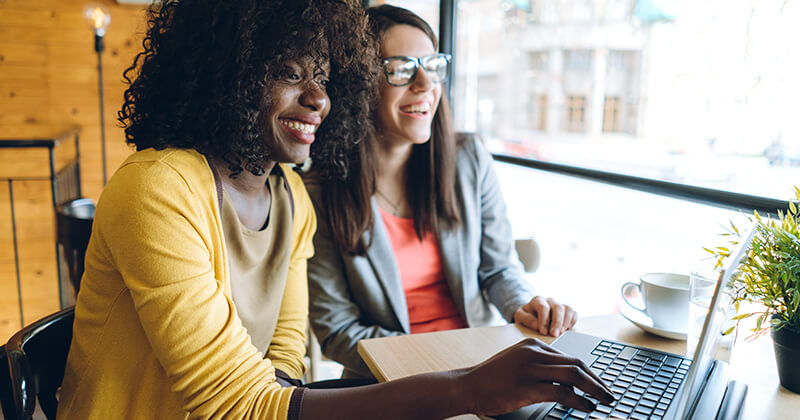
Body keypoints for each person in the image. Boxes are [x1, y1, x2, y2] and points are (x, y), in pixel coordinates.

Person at [59, 1, 612, 418]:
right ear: (228, 73)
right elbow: (237, 401)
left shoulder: (292, 200)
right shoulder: (159, 189)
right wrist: (465, 389)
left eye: (323, 78)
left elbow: (282, 364)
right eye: (289, 73)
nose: (319, 98)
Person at [306, 4, 579, 380]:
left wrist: (525, 305)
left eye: (432, 67)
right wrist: (441, 365)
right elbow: (337, 331)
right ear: (359, 83)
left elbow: (499, 269)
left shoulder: (470, 159)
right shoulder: (320, 190)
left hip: (482, 365)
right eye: (402, 69)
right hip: (392, 384)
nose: (425, 85)